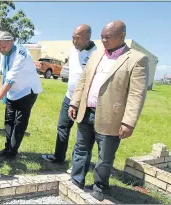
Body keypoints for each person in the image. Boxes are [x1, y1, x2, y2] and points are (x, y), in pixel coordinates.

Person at [68, 21, 149, 201]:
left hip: (111, 117)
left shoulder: (136, 59)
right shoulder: (96, 55)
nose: (103, 40)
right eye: (102, 36)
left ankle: (100, 186)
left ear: (121, 36)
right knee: (80, 148)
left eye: (108, 37)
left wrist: (128, 122)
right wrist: (74, 103)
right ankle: (76, 180)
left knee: (104, 157)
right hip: (86, 111)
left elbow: (137, 94)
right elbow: (83, 80)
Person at [41, 25, 97, 173]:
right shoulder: (73, 50)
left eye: (77, 38)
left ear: (87, 37)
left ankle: (77, 165)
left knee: (83, 136)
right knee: (62, 127)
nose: (74, 40)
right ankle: (59, 157)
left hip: (85, 101)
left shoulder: (95, 54)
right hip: (69, 97)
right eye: (73, 37)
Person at [0, 31, 42, 159]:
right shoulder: (5, 51)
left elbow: (10, 80)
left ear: (11, 42)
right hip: (12, 93)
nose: (0, 50)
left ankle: (12, 152)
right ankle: (7, 148)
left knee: (19, 124)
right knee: (8, 121)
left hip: (26, 92)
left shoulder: (21, 54)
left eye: (3, 47)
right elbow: (3, 73)